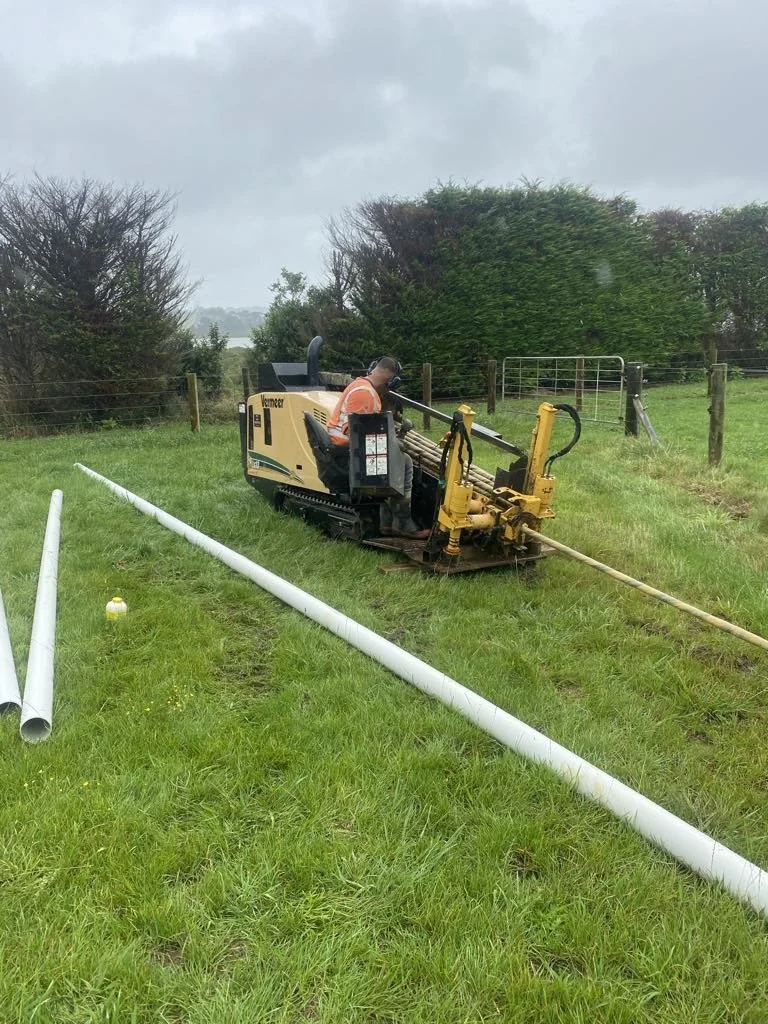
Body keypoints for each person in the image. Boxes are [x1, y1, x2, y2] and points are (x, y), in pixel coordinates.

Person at [328, 357, 429, 539]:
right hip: (346, 450)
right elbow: (353, 431)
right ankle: (403, 522)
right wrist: (389, 445)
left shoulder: (366, 389)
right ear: (390, 377)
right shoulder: (363, 392)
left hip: (350, 447)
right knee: (403, 462)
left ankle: (387, 523)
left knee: (394, 458)